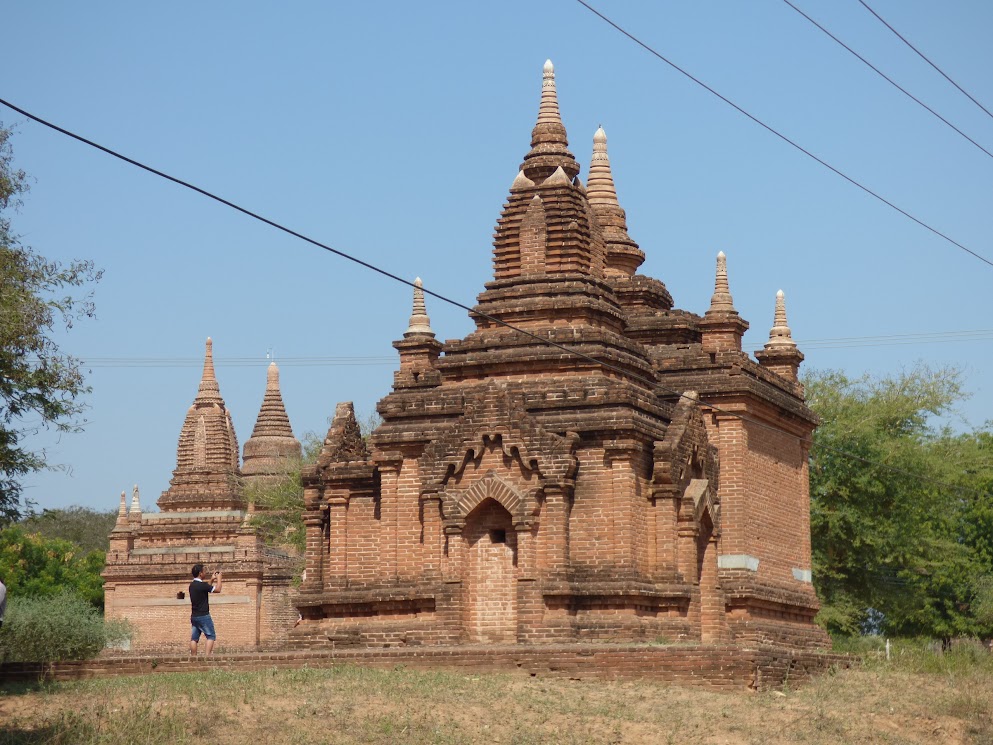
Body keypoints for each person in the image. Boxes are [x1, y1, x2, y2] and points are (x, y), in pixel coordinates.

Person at [188, 564, 222, 657]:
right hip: (204, 615)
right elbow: (218, 589)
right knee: (211, 636)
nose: (205, 573)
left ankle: (193, 657)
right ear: (200, 573)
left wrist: (211, 579)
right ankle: (207, 657)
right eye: (204, 571)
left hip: (194, 616)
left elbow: (205, 589)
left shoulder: (192, 586)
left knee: (194, 639)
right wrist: (219, 578)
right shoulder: (202, 585)